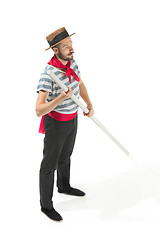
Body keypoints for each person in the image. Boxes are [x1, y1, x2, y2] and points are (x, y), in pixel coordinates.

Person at [36, 27, 94, 221]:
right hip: (56, 124)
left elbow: (80, 83)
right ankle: (46, 205)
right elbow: (39, 110)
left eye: (71, 44)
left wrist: (88, 104)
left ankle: (64, 186)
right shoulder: (48, 74)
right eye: (66, 46)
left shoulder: (72, 63)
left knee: (66, 156)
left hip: (72, 119)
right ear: (55, 50)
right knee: (49, 165)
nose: (71, 49)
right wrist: (60, 97)